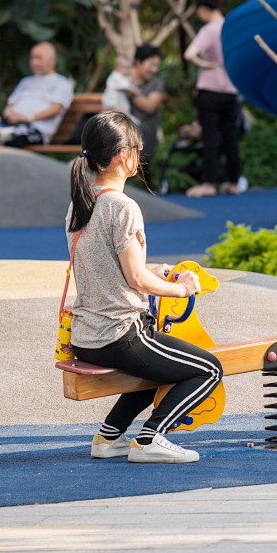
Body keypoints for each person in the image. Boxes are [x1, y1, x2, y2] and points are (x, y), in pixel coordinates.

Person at [66, 109, 223, 463]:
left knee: (155, 369)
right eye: (138, 147)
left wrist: (157, 270)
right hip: (121, 333)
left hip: (86, 335)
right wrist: (184, 288)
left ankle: (108, 439)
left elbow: (107, 265)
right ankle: (151, 437)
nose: (141, 154)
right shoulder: (122, 206)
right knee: (208, 369)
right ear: (123, 156)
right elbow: (136, 280)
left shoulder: (81, 203)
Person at [183, 0, 241, 198]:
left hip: (209, 89)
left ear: (202, 9)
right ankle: (233, 181)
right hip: (231, 88)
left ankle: (209, 182)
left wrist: (205, 63)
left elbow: (189, 54)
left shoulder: (208, 30)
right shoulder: (231, 27)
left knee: (211, 136)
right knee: (230, 135)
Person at [0, 42, 74, 148]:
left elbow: (56, 109)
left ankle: (0, 132)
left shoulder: (62, 83)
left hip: (35, 130)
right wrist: (10, 114)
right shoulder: (26, 82)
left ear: (52, 61)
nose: (34, 62)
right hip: (11, 123)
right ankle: (0, 129)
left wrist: (27, 118)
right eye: (32, 58)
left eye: (39, 58)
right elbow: (9, 106)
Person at [128, 44, 165, 173]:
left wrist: (129, 91)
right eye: (151, 64)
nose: (155, 69)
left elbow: (149, 106)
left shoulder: (156, 84)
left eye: (157, 65)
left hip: (144, 131)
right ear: (138, 62)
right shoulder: (123, 78)